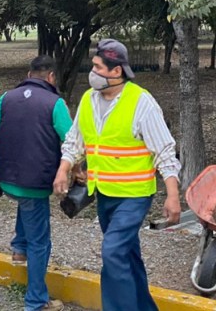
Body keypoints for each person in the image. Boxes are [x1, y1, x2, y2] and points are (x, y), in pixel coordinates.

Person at [53, 39, 181, 311]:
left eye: (98, 67)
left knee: (112, 253)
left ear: (116, 71)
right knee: (126, 255)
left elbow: (165, 151)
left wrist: (172, 196)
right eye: (93, 65)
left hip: (134, 196)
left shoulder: (141, 103)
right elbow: (75, 142)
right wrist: (63, 169)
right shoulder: (88, 100)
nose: (93, 72)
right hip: (104, 194)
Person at [0, 55, 71, 311]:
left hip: (6, 180)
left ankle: (19, 248)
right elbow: (72, 141)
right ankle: (35, 301)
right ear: (51, 77)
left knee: (25, 206)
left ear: (29, 74)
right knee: (40, 241)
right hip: (35, 183)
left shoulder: (6, 98)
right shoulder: (55, 103)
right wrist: (75, 170)